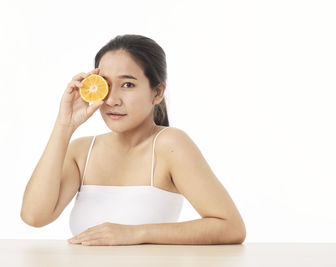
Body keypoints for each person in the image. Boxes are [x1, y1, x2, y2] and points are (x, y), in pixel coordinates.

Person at [20, 34, 246, 246]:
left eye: (128, 84)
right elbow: (34, 216)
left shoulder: (170, 145)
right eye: (105, 85)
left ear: (157, 93)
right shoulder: (81, 151)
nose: (112, 100)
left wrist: (135, 233)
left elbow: (231, 227)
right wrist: (64, 126)